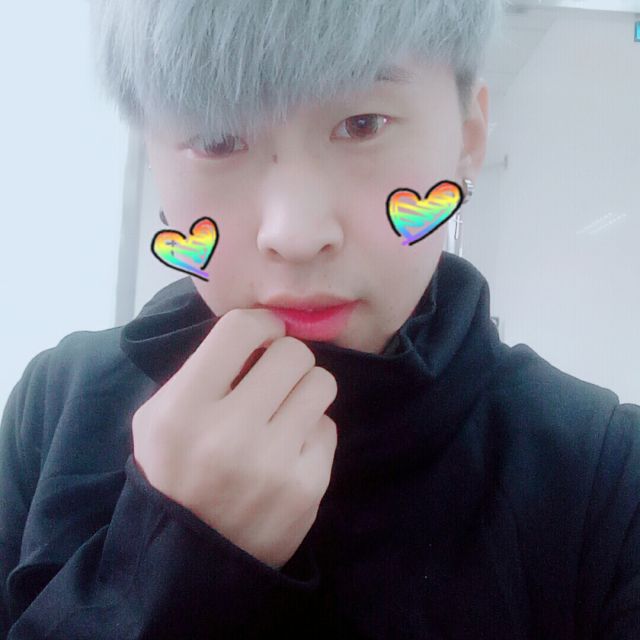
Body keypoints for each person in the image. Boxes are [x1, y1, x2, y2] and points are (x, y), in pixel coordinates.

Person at [1, 1, 638, 638]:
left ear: (468, 139)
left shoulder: (606, 480)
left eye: (363, 124)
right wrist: (167, 570)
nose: (295, 234)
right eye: (218, 139)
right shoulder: (57, 405)